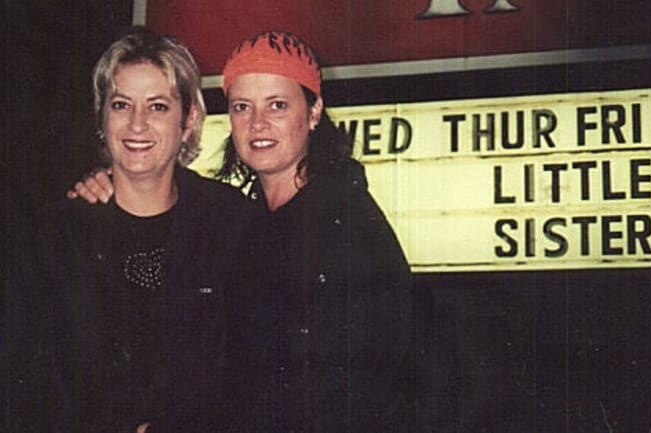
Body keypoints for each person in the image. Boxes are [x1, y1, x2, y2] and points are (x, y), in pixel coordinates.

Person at [68, 30, 417, 433]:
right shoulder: (249, 218)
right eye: (242, 107)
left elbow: (342, 396)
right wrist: (109, 181)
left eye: (278, 105)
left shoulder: (342, 227)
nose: (258, 123)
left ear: (314, 112)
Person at [4, 26, 256, 433]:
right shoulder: (52, 239)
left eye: (158, 107)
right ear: (102, 118)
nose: (137, 124)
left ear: (188, 120)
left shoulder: (232, 225)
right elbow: (20, 385)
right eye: (121, 105)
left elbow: (253, 377)